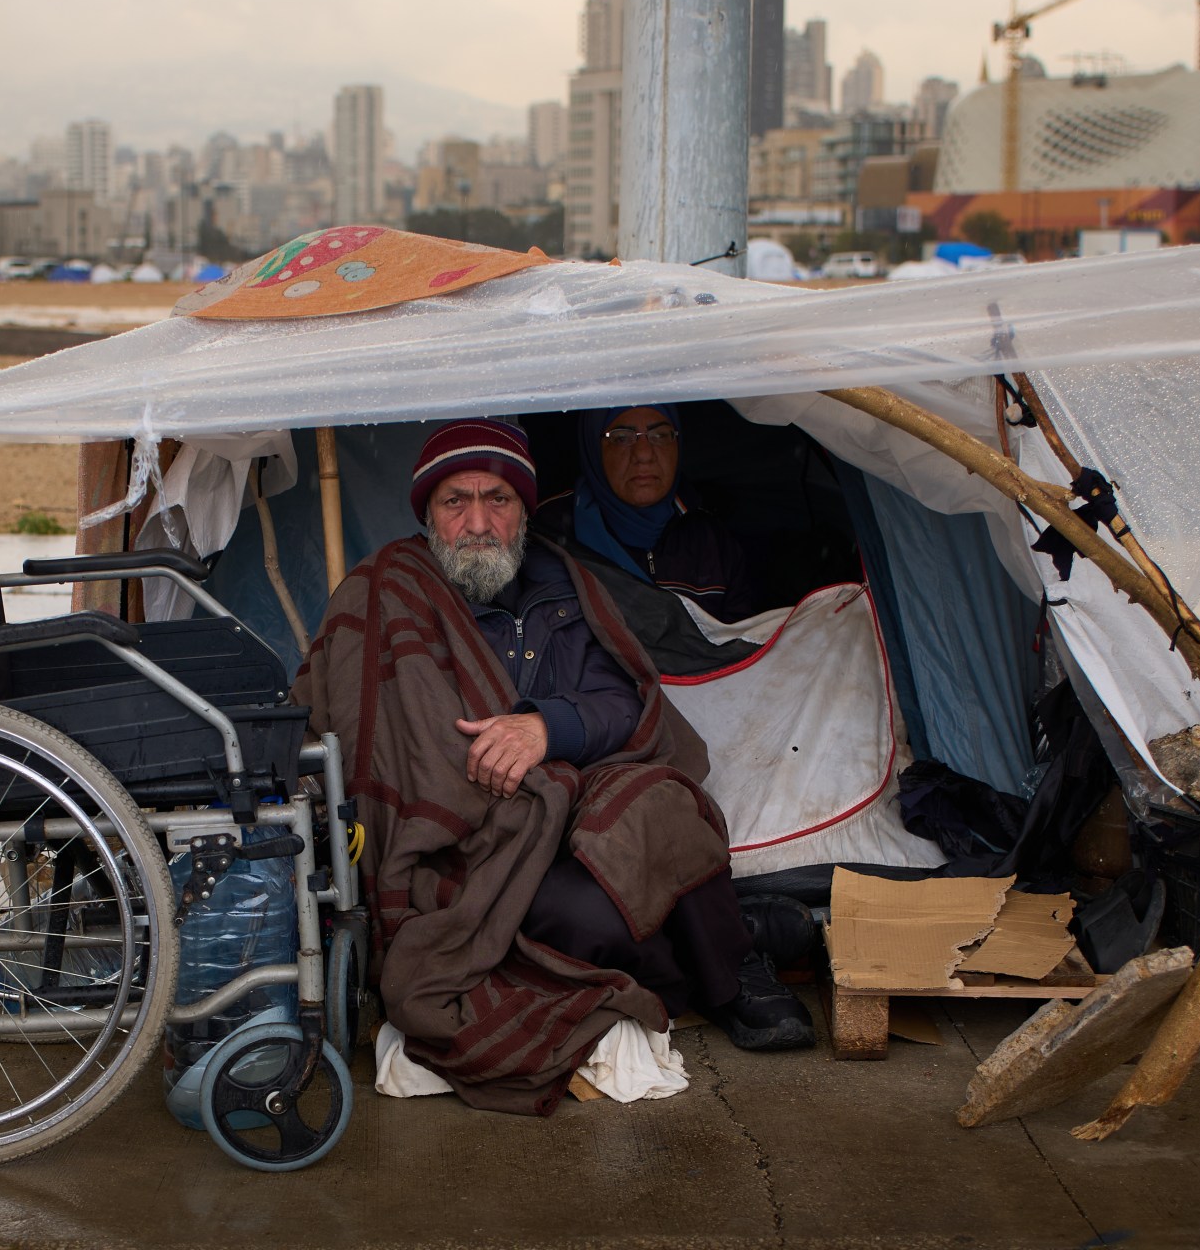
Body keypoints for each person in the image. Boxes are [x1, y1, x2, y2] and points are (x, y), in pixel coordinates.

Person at [294, 419, 812, 1117]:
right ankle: (736, 937)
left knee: (662, 805)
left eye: (498, 500)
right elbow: (363, 734)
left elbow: (623, 703)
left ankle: (734, 981)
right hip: (466, 835)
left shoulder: (563, 583)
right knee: (574, 913)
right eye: (456, 502)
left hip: (573, 793)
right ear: (427, 512)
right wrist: (480, 771)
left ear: (524, 509)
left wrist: (546, 727)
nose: (478, 522)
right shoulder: (385, 590)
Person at [535, 404, 764, 623]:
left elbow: (741, 646)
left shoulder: (711, 542)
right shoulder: (552, 533)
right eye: (622, 438)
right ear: (594, 448)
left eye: (660, 435)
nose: (644, 454)